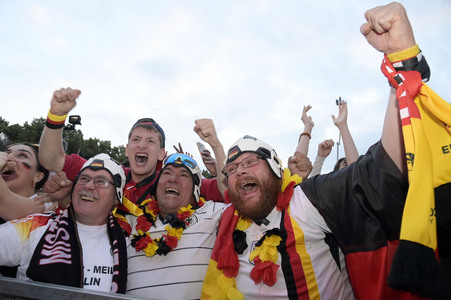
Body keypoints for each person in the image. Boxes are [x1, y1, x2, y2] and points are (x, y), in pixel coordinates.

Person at [203, 3, 447, 299]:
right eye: (232, 169)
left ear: (278, 172)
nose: (239, 170)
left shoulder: (307, 201)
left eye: (251, 161)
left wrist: (402, 62)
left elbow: (382, 173)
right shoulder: (221, 223)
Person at [38, 93, 225, 219]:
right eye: (136, 139)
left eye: (151, 141)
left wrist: (216, 145)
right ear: (127, 149)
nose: (142, 144)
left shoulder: (174, 184)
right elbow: (50, 160)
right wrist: (56, 117)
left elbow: (226, 191)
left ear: (162, 154)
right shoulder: (104, 174)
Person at [0, 153, 128, 293]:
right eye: (83, 178)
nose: (89, 185)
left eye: (101, 181)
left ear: (116, 197)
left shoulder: (128, 242)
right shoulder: (35, 226)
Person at [124, 153, 228, 299]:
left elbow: (240, 199)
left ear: (195, 191)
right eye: (167, 173)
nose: (173, 179)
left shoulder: (212, 214)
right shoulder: (131, 221)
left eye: (184, 175)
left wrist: (216, 146)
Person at [0, 143, 51, 222]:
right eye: (7, 153)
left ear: (37, 177)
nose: (8, 157)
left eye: (23, 155)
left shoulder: (45, 208)